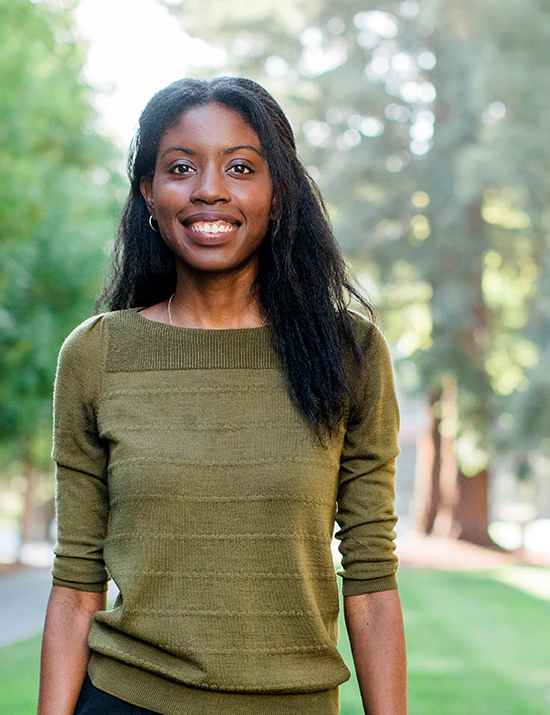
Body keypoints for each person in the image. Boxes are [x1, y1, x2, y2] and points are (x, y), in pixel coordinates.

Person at [37, 77, 408, 715]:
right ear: (149, 192)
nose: (210, 188)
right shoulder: (96, 355)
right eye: (181, 167)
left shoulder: (352, 354)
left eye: (240, 167)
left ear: (277, 191)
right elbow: (76, 585)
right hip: (128, 699)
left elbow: (371, 581)